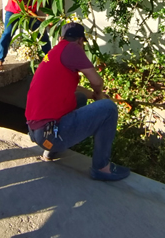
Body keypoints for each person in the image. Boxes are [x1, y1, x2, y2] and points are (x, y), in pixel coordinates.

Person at [26, 22, 130, 181]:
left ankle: (50, 151)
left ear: (61, 38)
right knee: (108, 108)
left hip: (37, 134)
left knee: (79, 98)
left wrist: (93, 97)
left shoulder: (54, 52)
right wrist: (99, 93)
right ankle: (102, 168)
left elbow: (74, 90)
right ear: (81, 41)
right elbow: (96, 81)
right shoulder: (73, 48)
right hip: (50, 136)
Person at [0, 0, 51, 71]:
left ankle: (49, 61)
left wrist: (49, 18)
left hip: (29, 14)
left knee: (42, 35)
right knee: (7, 33)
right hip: (13, 11)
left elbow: (46, 3)